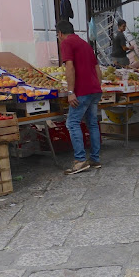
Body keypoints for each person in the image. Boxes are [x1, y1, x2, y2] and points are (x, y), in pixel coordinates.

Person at [56, 20, 103, 175]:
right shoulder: (85, 44)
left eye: (58, 35)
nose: (59, 38)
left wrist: (70, 92)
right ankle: (94, 159)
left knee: (72, 123)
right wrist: (98, 87)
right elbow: (97, 68)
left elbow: (69, 67)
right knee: (92, 124)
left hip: (82, 91)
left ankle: (80, 160)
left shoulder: (67, 43)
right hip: (94, 90)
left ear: (60, 33)